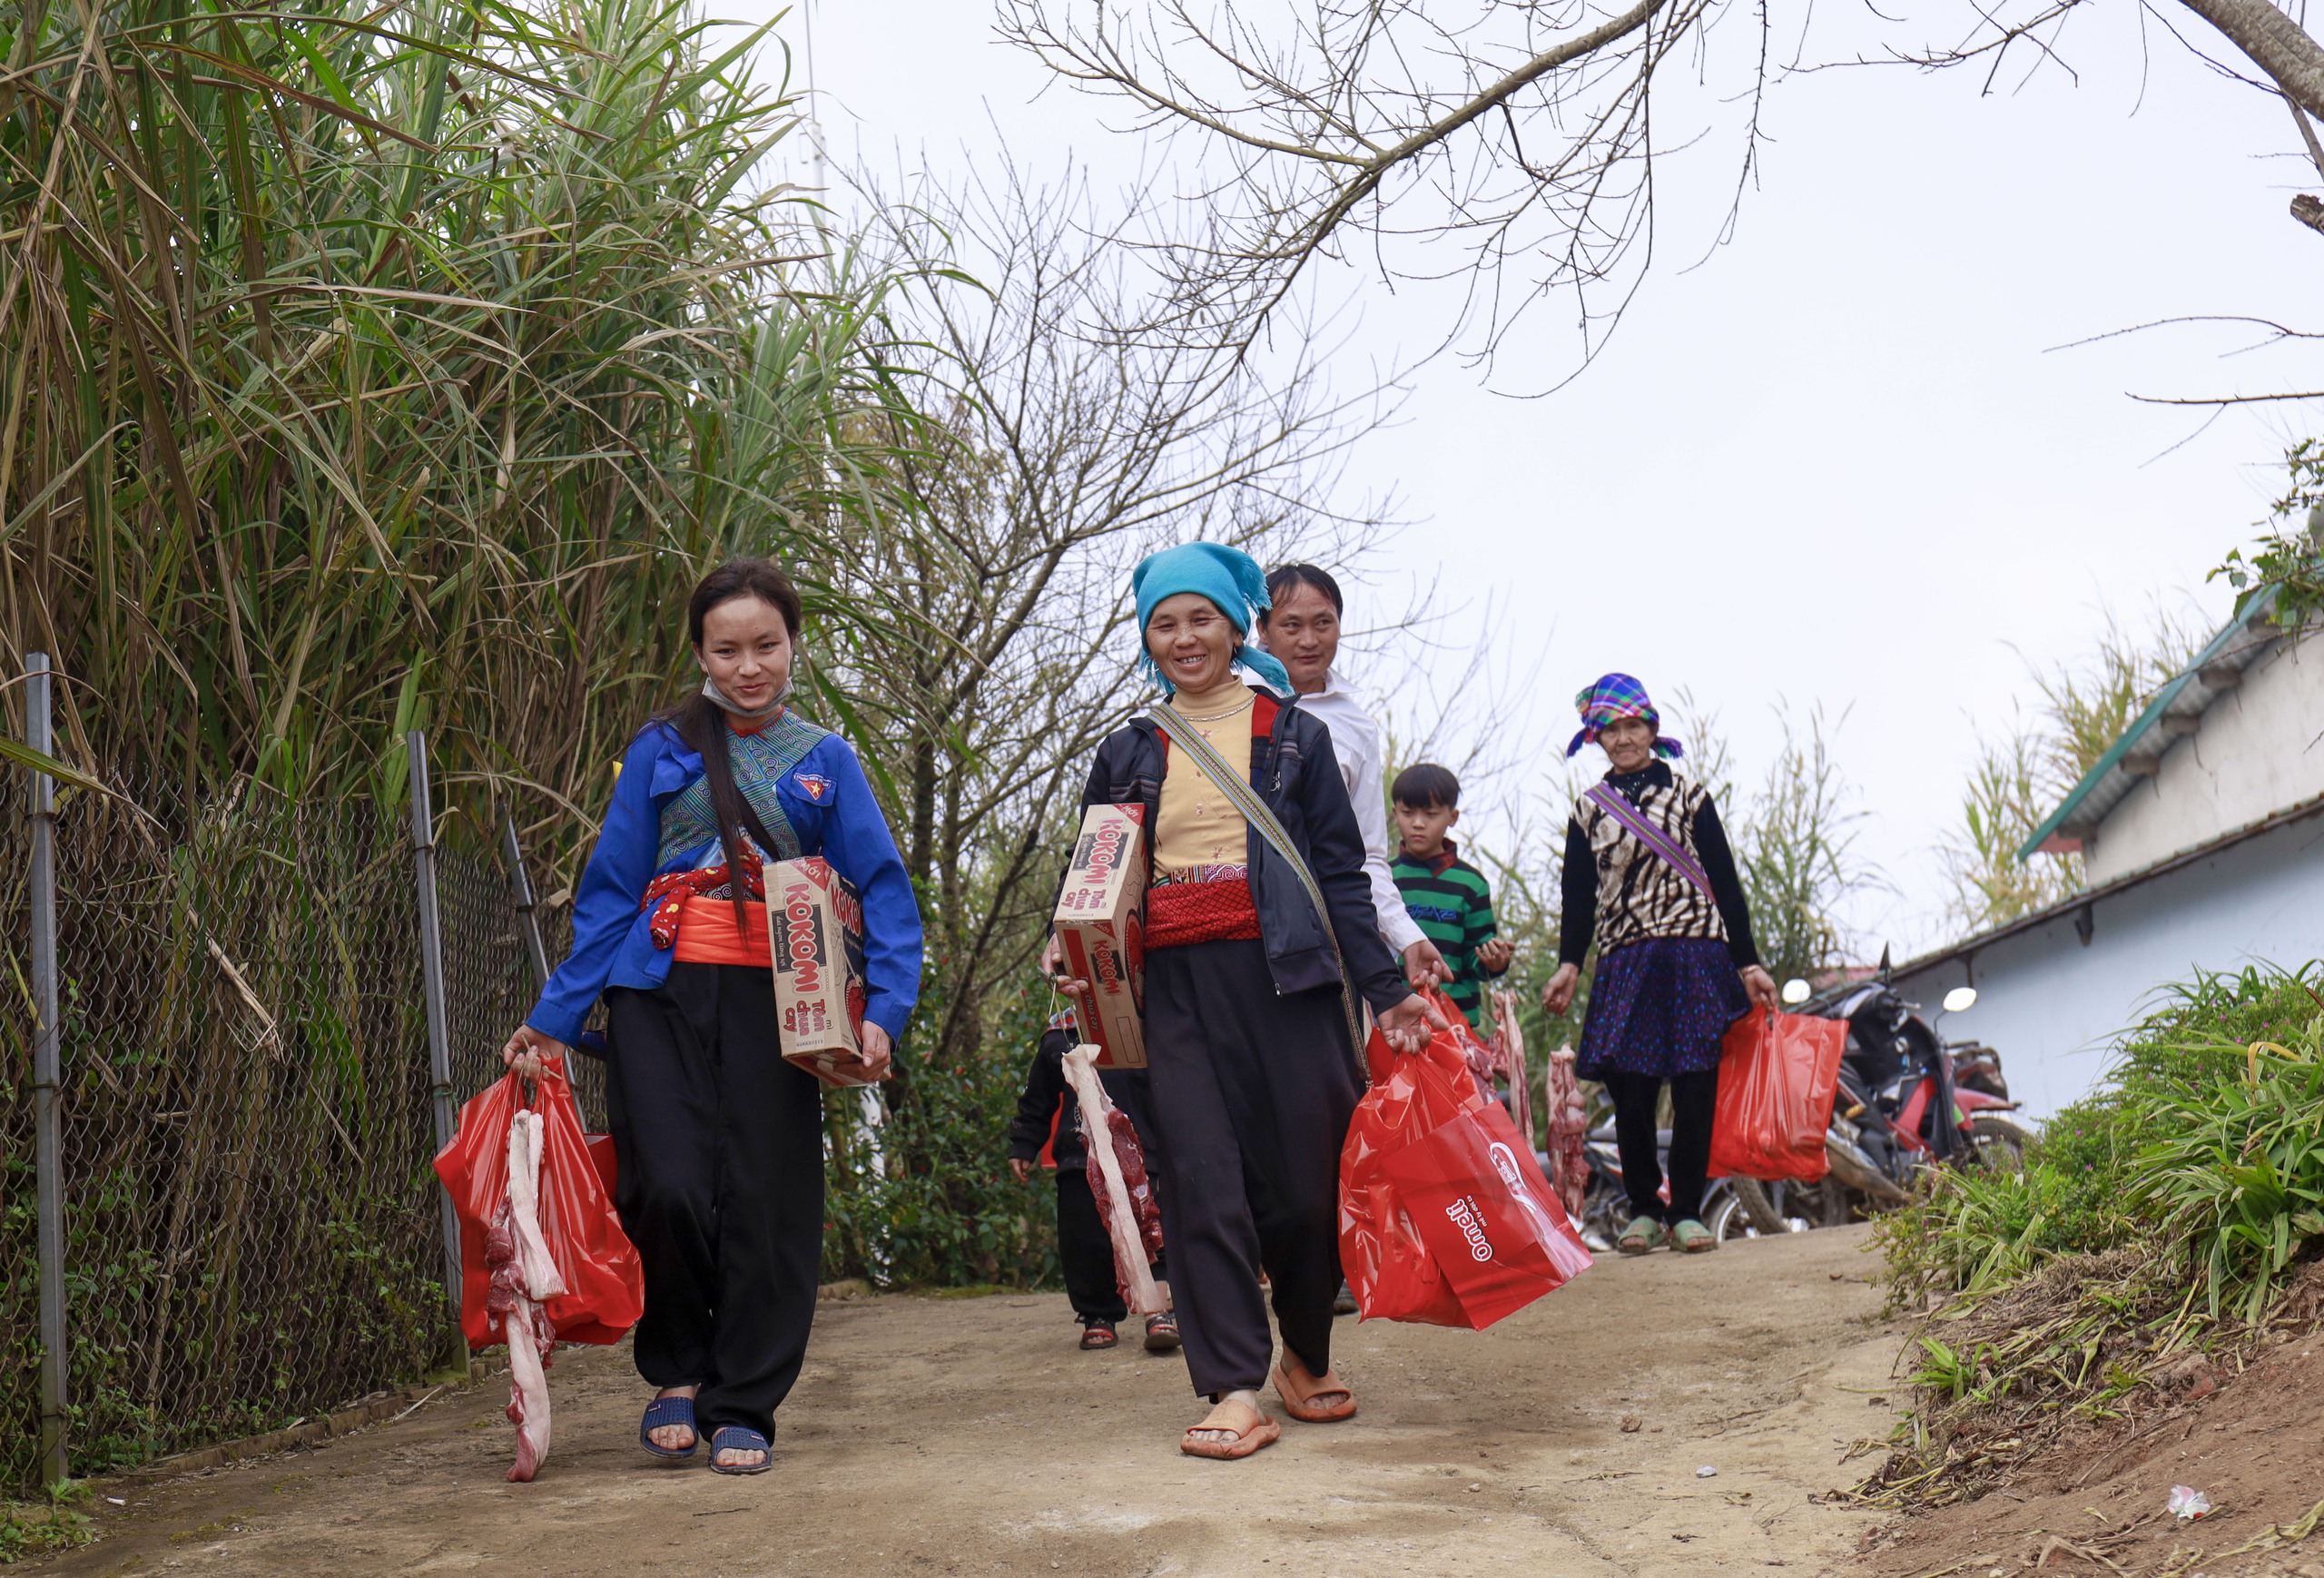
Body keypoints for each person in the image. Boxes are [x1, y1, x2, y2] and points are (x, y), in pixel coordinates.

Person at [499, 558, 922, 1474]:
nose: (748, 665)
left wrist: (885, 1009)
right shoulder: (662, 748)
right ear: (699, 652)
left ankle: (745, 1402)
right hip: (657, 992)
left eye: (765, 645)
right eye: (726, 648)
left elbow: (884, 891)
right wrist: (555, 1016)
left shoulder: (825, 759)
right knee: (672, 1181)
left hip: (786, 1004)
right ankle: (677, 1372)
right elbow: (611, 891)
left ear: (792, 646)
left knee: (768, 1198)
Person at [1045, 540, 1444, 1461]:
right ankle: (1232, 1383)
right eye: (1162, 623)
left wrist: (1383, 991)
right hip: (1173, 992)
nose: (1183, 639)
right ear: (1147, 637)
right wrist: (1076, 960)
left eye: (1200, 619)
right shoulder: (1127, 750)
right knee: (1199, 1183)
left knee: (1306, 1190)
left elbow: (1341, 874)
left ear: (1233, 625)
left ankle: (1304, 1351)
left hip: (1289, 980)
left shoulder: (1296, 738)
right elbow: (1094, 875)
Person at [1541, 674, 1776, 1256]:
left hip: (1696, 952)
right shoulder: (1588, 810)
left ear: (1652, 729)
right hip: (1626, 959)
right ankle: (1645, 1209)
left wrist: (1747, 964)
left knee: (1696, 1085)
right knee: (1632, 1087)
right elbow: (1578, 895)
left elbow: (1725, 882)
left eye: (1633, 726)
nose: (1624, 738)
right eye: (1611, 729)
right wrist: (1570, 964)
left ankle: (1688, 1210)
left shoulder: (1690, 796)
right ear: (1596, 737)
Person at [1255, 563, 1449, 990]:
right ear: (1262, 630)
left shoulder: (1354, 725)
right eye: (1291, 625)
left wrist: (1406, 936)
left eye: (1323, 623)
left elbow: (1364, 855)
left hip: (1321, 939)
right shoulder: (1230, 702)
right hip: (1234, 932)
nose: (1309, 640)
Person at [1007, 1013, 1180, 1353]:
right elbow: (1038, 1097)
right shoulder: (1060, 1036)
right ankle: (1098, 1315)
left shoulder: (1145, 1023)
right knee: (1084, 1240)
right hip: (1079, 1154)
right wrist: (1025, 1142)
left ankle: (1159, 1311)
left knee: (1152, 1229)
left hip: (1143, 1149)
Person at [1387, 762, 1514, 1032]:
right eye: (1408, 813)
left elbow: (1476, 955)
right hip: (1396, 1018)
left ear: (1452, 817)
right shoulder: (1383, 880)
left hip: (1454, 1024)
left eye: (1431, 814)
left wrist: (1495, 962)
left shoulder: (1470, 884)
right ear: (1395, 813)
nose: (1418, 823)